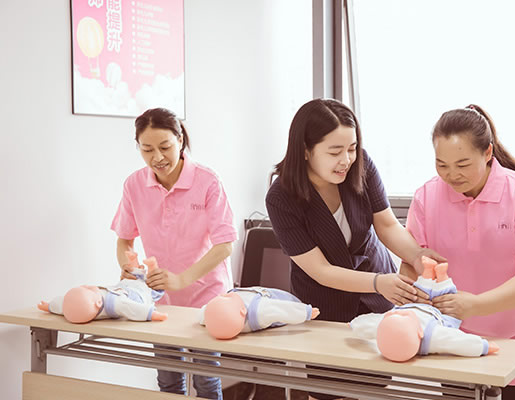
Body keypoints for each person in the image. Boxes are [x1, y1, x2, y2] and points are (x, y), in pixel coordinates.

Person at [265, 98, 444, 400]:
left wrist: (416, 255)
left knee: (375, 385)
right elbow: (320, 270)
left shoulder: (360, 164)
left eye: (351, 148)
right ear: (305, 150)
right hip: (326, 303)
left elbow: (386, 224)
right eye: (335, 152)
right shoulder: (281, 197)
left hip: (377, 294)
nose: (346, 160)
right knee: (328, 388)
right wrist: (378, 283)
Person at [403, 104, 515, 400]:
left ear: (487, 153)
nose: (451, 175)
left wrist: (475, 305)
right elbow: (412, 259)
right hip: (451, 334)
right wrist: (410, 296)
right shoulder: (427, 196)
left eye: (462, 164)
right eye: (442, 164)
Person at [111, 108, 237, 399]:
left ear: (180, 140)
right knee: (168, 382)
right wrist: (127, 265)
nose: (157, 157)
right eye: (147, 149)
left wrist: (181, 279)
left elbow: (225, 245)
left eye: (165, 147)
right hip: (162, 301)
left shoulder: (208, 181)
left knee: (206, 382)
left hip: (208, 299)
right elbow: (124, 240)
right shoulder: (134, 185)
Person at [350, 256, 499, 362]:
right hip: (440, 312)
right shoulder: (432, 335)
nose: (402, 315)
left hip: (415, 302)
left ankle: (428, 271)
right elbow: (459, 342)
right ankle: (442, 274)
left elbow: (365, 324)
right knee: (446, 294)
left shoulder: (384, 324)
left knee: (419, 290)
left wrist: (353, 324)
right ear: (419, 333)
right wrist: (484, 347)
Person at [37, 251, 167, 323]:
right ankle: (152, 265)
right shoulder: (115, 303)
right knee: (153, 286)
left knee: (130, 277)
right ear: (98, 303)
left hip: (122, 288)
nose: (87, 286)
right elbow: (133, 309)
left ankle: (133, 260)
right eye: (88, 289)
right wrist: (151, 314)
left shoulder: (72, 307)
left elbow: (62, 305)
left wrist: (49, 306)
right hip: (137, 295)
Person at [198, 286, 320, 339]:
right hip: (279, 299)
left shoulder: (212, 314)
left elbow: (204, 313)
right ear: (242, 311)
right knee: (278, 310)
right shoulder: (259, 311)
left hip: (253, 292)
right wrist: (306, 312)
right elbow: (283, 309)